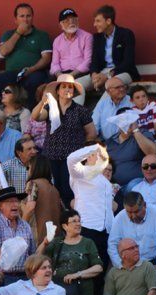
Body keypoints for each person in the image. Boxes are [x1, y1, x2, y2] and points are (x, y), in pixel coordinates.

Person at [32, 76, 97, 207]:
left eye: (70, 87)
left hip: (71, 158)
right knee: (52, 190)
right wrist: (42, 103)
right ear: (58, 91)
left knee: (68, 192)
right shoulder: (50, 108)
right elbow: (36, 117)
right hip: (50, 155)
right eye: (64, 86)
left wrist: (81, 151)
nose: (67, 89)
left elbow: (92, 133)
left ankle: (68, 219)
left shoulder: (81, 111)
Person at [0, 3, 51, 116]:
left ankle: (30, 121)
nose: (25, 19)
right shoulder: (8, 34)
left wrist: (32, 69)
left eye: (28, 16)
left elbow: (46, 58)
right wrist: (18, 32)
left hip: (34, 71)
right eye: (22, 16)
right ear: (16, 19)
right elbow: (3, 52)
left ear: (32, 17)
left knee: (34, 83)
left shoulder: (41, 35)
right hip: (12, 73)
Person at [107, 192, 156, 267]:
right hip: (129, 264)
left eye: (136, 211)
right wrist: (121, 266)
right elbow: (112, 245)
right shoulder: (119, 218)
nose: (133, 216)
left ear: (144, 205)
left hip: (155, 261)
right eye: (129, 212)